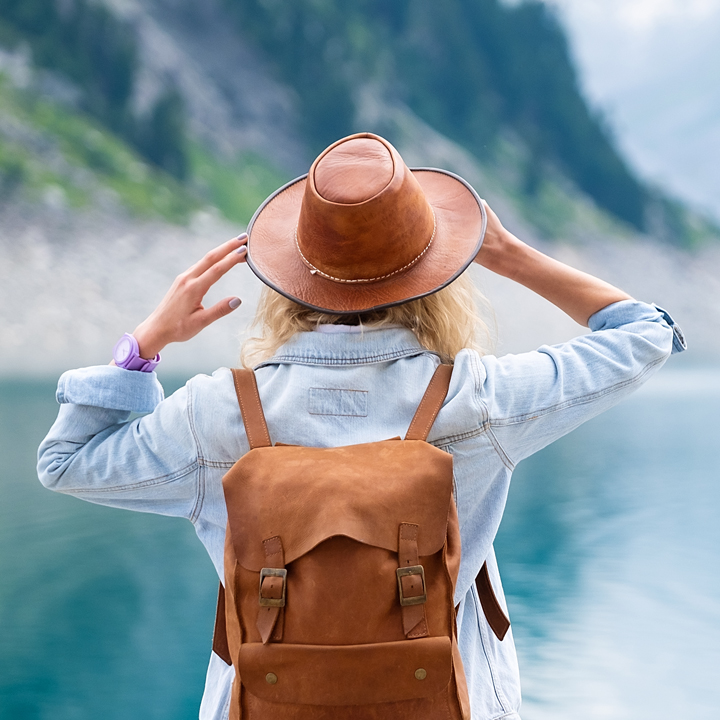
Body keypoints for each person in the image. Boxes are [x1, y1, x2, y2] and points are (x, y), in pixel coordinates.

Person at [37, 133, 686, 720]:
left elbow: (65, 461)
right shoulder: (479, 400)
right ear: (437, 275)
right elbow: (645, 332)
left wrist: (145, 344)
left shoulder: (218, 412)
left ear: (291, 273)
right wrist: (511, 255)